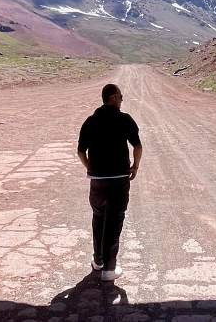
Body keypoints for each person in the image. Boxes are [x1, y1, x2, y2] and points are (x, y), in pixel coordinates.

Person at [77, 83, 143, 281]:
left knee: (98, 218)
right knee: (114, 221)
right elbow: (138, 146)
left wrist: (91, 168)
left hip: (97, 181)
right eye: (121, 97)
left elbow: (80, 151)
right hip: (118, 180)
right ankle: (109, 270)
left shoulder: (90, 121)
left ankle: (98, 262)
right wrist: (135, 166)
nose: (122, 100)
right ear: (113, 97)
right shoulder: (124, 120)